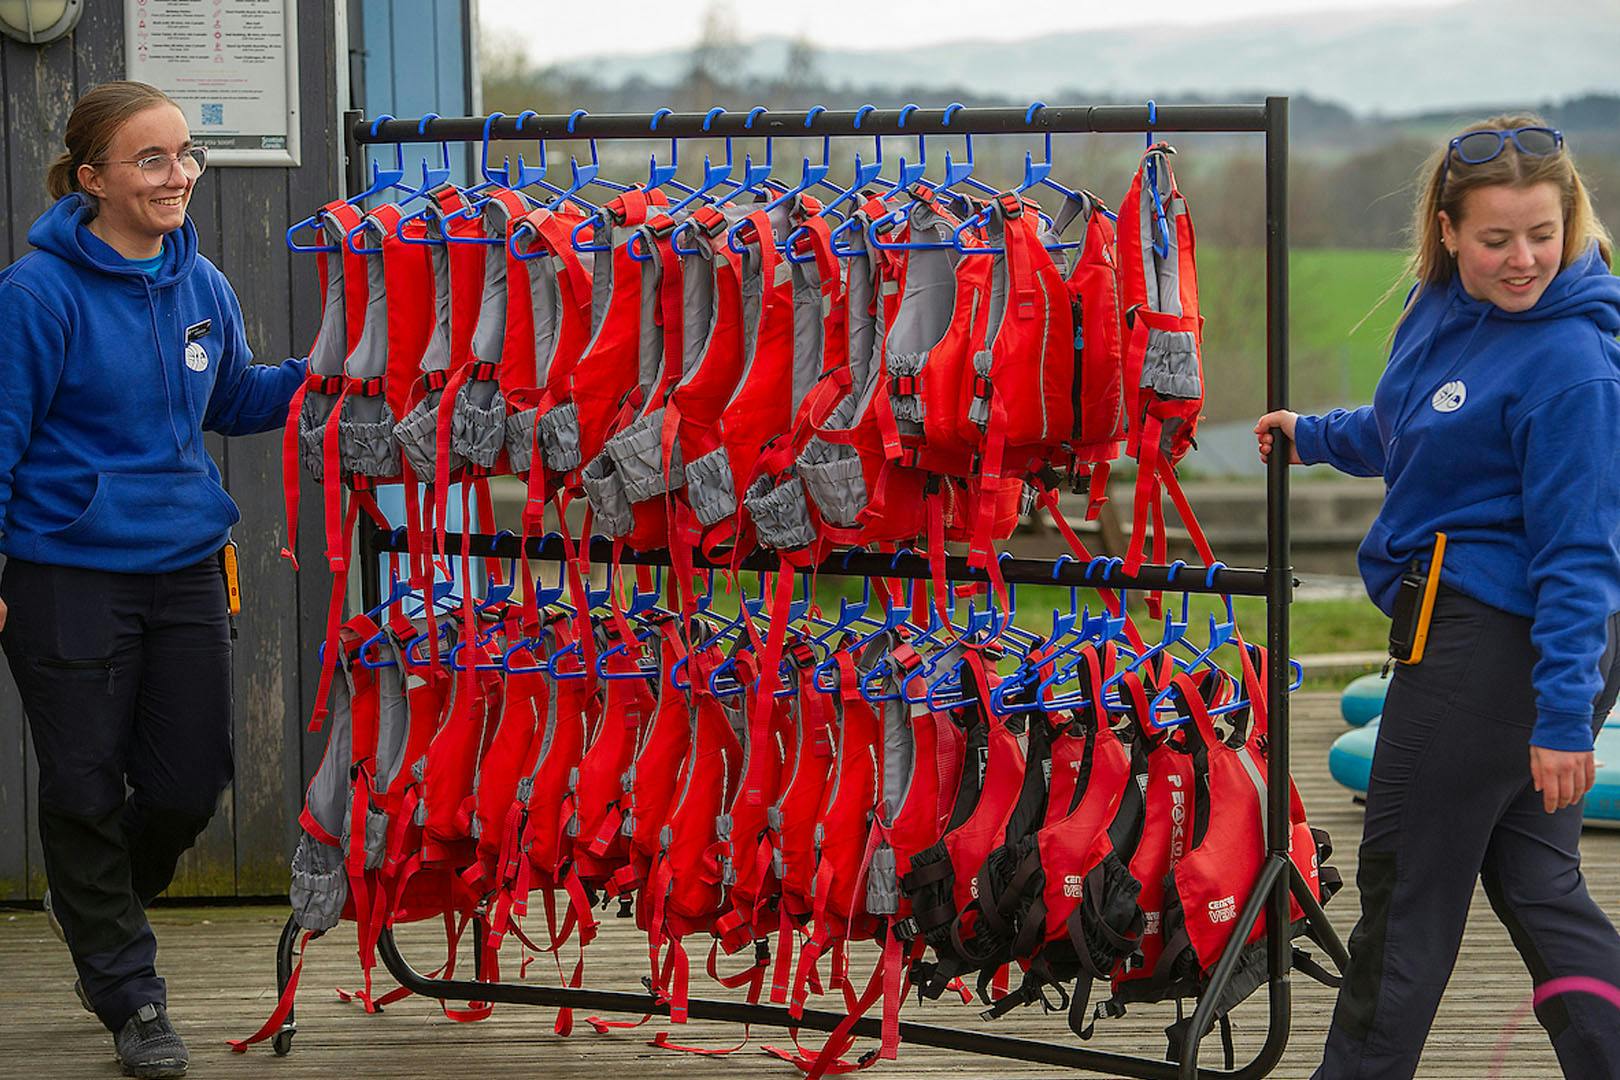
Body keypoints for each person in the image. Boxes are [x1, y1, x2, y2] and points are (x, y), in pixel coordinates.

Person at [1256, 114, 1620, 1078]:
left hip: (1510, 641)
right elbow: (1415, 429)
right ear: (1448, 230)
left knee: (1407, 888)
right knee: (1538, 882)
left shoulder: (1572, 364)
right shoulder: (1441, 306)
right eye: (1496, 238)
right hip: (1489, 639)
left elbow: (1581, 553)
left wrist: (1565, 716)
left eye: (1545, 234)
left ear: (1572, 218)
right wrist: (1316, 433)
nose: (1524, 259)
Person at [0, 81, 305, 1078]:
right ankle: (132, 996)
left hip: (182, 569)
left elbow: (239, 397)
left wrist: (336, 369)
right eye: (153, 160)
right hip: (66, 574)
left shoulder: (199, 283)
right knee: (85, 783)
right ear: (92, 180)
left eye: (185, 156)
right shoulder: (35, 296)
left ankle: (90, 903)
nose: (178, 176)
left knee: (184, 786)